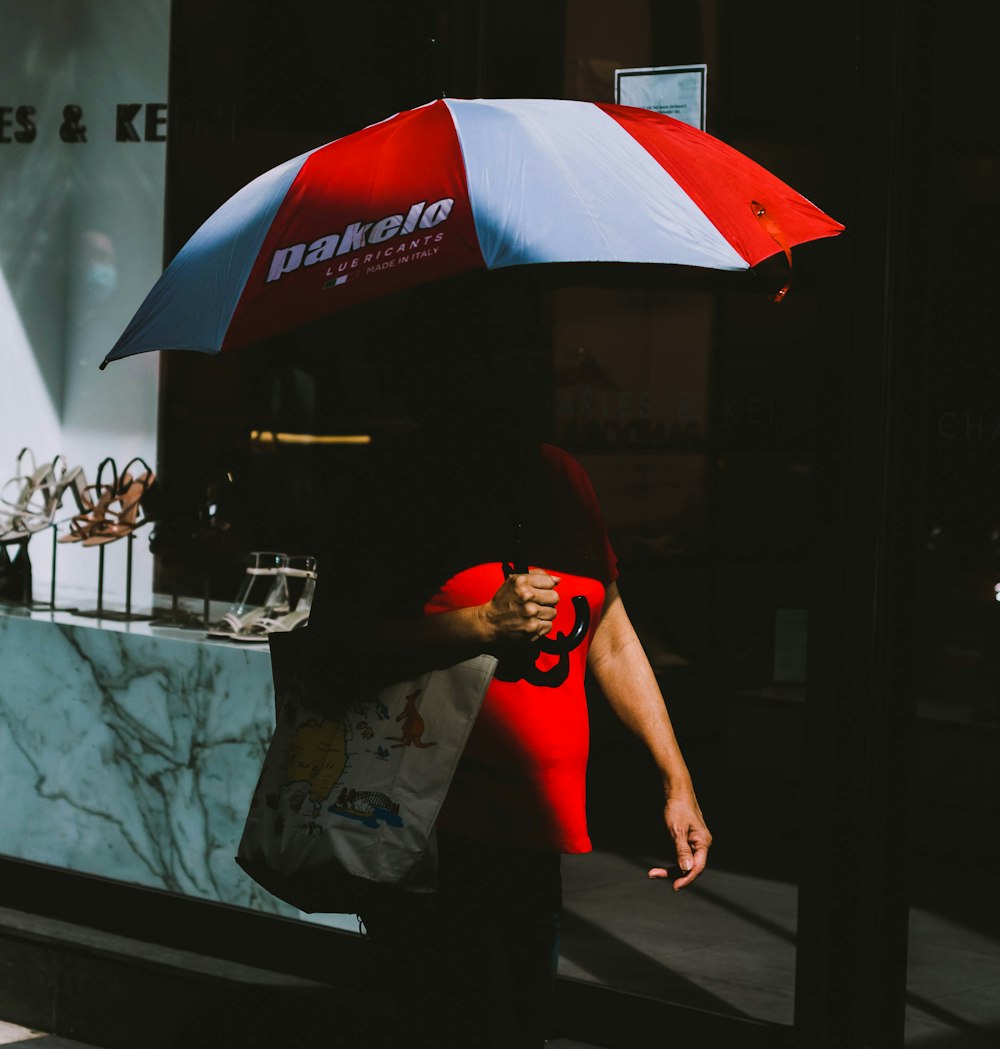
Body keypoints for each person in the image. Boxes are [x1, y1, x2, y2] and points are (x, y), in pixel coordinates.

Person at [305, 282, 711, 1049]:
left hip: (536, 823)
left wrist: (675, 776)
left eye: (540, 357)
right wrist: (481, 621)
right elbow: (340, 642)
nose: (544, 375)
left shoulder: (561, 477)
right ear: (462, 372)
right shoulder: (397, 484)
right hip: (426, 825)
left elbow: (613, 634)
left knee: (518, 1028)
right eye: (515, 358)